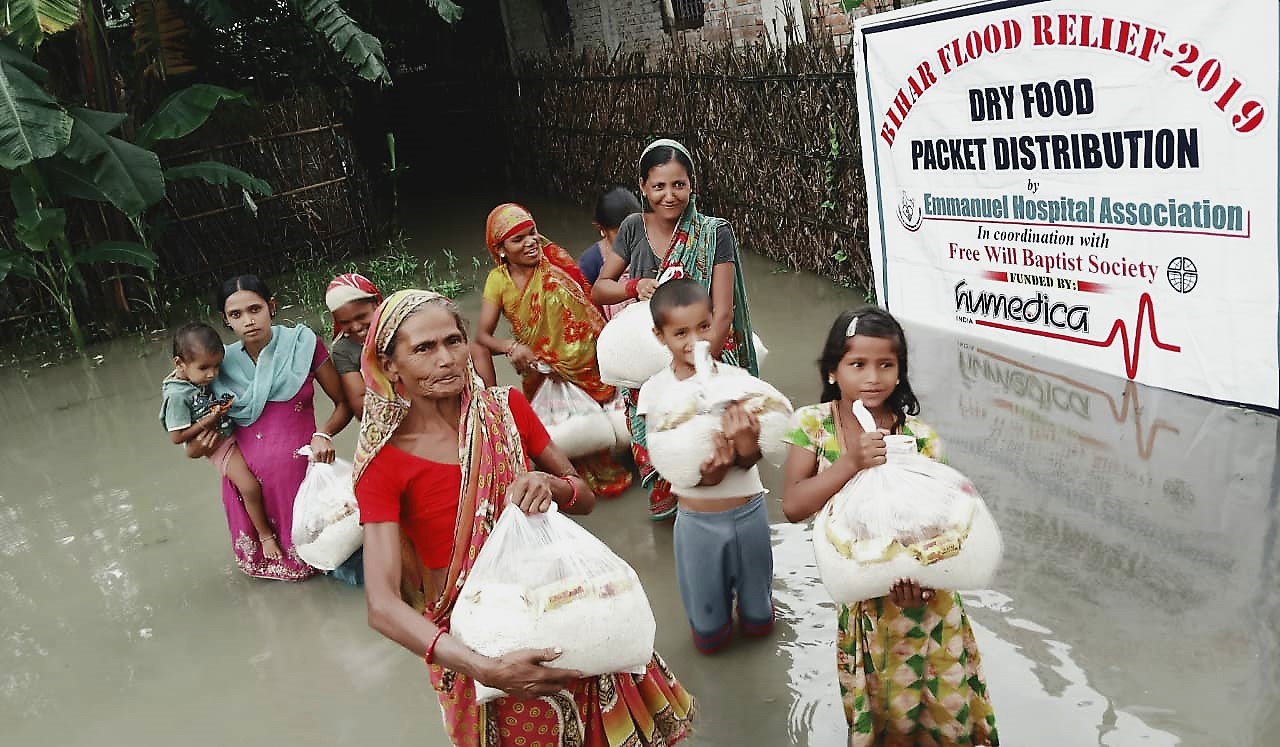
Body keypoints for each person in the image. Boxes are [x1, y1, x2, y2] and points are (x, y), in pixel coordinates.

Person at [355, 289, 695, 746]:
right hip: (481, 642)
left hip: (568, 608)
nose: (447, 359)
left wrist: (552, 486)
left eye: (454, 341)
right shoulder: (385, 465)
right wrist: (484, 668)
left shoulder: (505, 410)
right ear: (390, 366)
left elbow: (583, 496)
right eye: (424, 348)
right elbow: (382, 605)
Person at [780, 307, 999, 746]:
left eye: (886, 364)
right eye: (857, 364)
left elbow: (945, 520)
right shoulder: (814, 426)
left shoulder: (919, 438)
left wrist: (925, 583)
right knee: (885, 715)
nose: (873, 377)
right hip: (865, 608)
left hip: (931, 602)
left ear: (900, 372)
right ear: (832, 371)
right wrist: (851, 462)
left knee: (944, 712)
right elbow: (793, 505)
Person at [592, 138, 760, 520]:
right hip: (649, 358)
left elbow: (722, 312)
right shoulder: (634, 228)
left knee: (717, 466)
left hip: (704, 353)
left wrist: (698, 368)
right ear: (643, 188)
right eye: (658, 187)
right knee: (667, 468)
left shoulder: (714, 233)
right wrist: (634, 286)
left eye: (678, 185)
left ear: (692, 185)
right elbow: (600, 287)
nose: (669, 195)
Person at [638, 279, 774, 653]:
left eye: (702, 327)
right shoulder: (655, 392)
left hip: (749, 515)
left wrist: (747, 447)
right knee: (709, 637)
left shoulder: (737, 381)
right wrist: (707, 475)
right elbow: (668, 463)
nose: (694, 341)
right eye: (680, 332)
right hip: (698, 524)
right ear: (659, 335)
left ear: (714, 320)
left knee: (760, 623)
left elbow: (754, 456)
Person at [187, 274, 352, 580]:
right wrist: (203, 440)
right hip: (249, 493)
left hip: (303, 481)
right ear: (226, 320)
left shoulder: (303, 345)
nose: (248, 320)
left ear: (271, 307)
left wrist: (323, 433)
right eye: (236, 315)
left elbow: (344, 404)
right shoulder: (215, 365)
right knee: (277, 589)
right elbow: (194, 442)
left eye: (255, 309)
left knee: (328, 563)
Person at [475, 203, 632, 498]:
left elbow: (589, 314)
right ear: (501, 249)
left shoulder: (557, 265)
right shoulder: (498, 281)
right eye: (518, 239)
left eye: (532, 233)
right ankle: (571, 485)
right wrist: (512, 347)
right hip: (541, 372)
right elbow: (482, 337)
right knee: (562, 433)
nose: (531, 242)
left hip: (587, 366)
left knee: (604, 421)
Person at [160, 323, 281, 560]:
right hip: (217, 445)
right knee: (249, 486)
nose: (212, 374)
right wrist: (209, 419)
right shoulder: (176, 395)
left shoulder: (197, 379)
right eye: (204, 368)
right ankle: (266, 536)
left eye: (217, 366)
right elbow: (177, 437)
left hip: (229, 432)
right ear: (179, 363)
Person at [325, 272, 384, 420]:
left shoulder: (403, 328)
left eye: (361, 316)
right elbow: (360, 407)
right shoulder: (343, 350)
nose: (356, 327)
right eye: (345, 322)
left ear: (377, 303)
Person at [578, 185, 642, 290]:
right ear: (601, 229)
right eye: (621, 233)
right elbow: (581, 299)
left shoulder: (650, 248)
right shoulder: (591, 261)